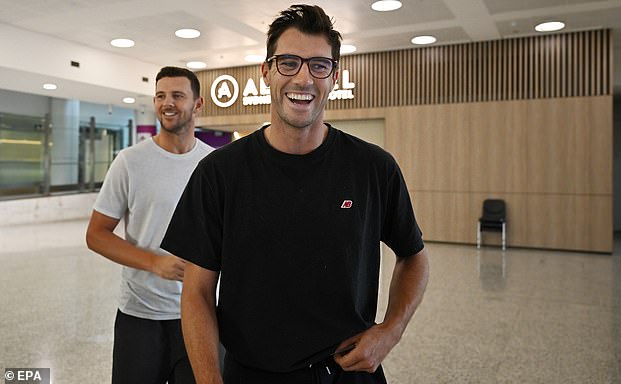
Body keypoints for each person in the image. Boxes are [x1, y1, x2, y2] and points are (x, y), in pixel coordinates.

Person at [161, 5, 430, 384]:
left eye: (319, 65)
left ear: (334, 77)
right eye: (289, 62)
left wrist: (392, 329)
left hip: (348, 374)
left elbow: (414, 257)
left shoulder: (373, 168)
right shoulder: (220, 173)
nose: (304, 78)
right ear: (267, 72)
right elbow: (197, 293)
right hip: (252, 374)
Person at [86, 66, 213, 384]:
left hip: (199, 315)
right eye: (160, 96)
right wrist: (155, 262)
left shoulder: (215, 165)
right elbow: (96, 235)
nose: (167, 103)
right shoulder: (130, 161)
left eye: (177, 96)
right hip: (140, 316)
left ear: (197, 104)